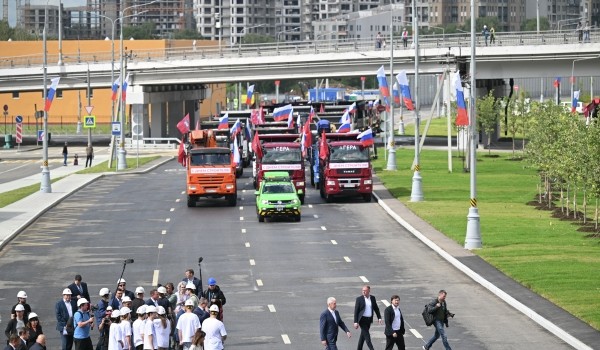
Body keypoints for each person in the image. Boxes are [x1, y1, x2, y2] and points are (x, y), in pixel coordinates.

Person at [353, 285, 382, 350]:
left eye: (365, 291)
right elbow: (356, 311)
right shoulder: (359, 299)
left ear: (369, 291)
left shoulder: (372, 298)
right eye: (362, 290)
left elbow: (376, 308)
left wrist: (379, 317)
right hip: (362, 320)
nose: (363, 292)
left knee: (363, 336)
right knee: (367, 336)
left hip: (369, 320)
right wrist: (355, 322)